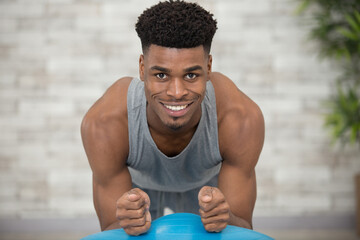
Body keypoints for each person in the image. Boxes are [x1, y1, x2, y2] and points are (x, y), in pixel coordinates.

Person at [81, 0, 265, 236]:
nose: (176, 93)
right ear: (141, 67)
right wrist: (126, 222)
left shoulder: (240, 119)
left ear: (208, 67)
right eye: (161, 74)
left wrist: (226, 217)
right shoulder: (105, 123)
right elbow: (110, 230)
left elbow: (243, 230)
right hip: (137, 188)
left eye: (190, 75)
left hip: (207, 188)